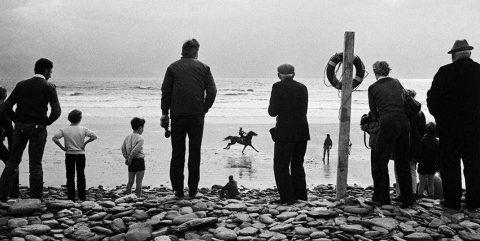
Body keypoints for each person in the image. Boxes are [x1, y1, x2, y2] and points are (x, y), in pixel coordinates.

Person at [427, 39, 480, 210]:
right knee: (474, 166)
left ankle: (453, 201)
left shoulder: (444, 72)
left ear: (454, 55)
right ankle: (474, 202)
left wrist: (440, 118)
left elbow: (432, 99)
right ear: (469, 53)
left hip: (449, 130)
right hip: (475, 129)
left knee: (450, 166)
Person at [160, 39, 217, 198]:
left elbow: (166, 92)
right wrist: (204, 108)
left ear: (183, 51)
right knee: (194, 152)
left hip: (177, 115)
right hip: (196, 116)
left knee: (177, 153)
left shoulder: (172, 68)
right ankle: (192, 190)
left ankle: (178, 190)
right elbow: (212, 92)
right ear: (195, 51)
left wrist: (165, 113)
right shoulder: (204, 68)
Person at [0, 58, 61, 201]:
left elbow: (5, 107)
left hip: (20, 127)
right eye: (50, 71)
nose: (51, 74)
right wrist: (46, 122)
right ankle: (35, 199)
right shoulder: (49, 87)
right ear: (45, 70)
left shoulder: (21, 85)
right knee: (35, 164)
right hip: (38, 128)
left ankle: (2, 196)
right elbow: (56, 111)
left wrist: (16, 119)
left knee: (13, 162)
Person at [368, 61, 414, 207]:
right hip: (404, 122)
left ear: (375, 71)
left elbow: (374, 111)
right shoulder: (397, 82)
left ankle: (381, 197)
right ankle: (407, 199)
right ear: (388, 71)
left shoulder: (373, 88)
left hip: (388, 122)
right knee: (402, 162)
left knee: (379, 161)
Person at [268, 64, 310, 204]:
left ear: (279, 75)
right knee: (298, 164)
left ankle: (287, 198)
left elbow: (272, 111)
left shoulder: (278, 87)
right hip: (302, 130)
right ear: (294, 74)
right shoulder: (303, 87)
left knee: (281, 165)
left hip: (285, 131)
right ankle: (301, 196)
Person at [52, 109, 97, 201]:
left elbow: (55, 138)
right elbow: (94, 136)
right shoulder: (83, 129)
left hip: (69, 154)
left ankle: (71, 197)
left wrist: (62, 148)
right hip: (80, 154)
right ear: (79, 119)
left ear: (69, 119)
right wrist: (85, 143)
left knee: (70, 176)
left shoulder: (64, 129)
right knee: (81, 175)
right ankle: (82, 197)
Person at [121, 117, 146, 196]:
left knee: (130, 180)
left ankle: (128, 195)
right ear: (140, 128)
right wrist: (130, 158)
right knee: (139, 181)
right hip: (139, 161)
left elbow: (123, 148)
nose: (143, 130)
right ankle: (138, 196)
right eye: (143, 128)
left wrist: (127, 158)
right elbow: (135, 150)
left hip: (131, 162)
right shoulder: (140, 138)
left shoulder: (127, 137)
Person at [0, 86, 17, 199]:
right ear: (5, 95)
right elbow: (9, 127)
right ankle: (10, 193)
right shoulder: (3, 107)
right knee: (11, 165)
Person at [417, 122, 439, 198]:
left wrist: (418, 160)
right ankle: (431, 195)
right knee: (431, 182)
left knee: (422, 182)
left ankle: (419, 195)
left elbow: (419, 153)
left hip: (422, 164)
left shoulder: (422, 141)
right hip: (432, 165)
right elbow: (438, 155)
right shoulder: (437, 142)